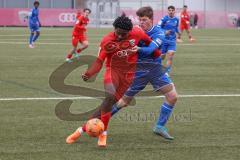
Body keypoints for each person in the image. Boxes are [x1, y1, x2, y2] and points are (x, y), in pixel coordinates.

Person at [66, 14, 156, 147]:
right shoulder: (107, 40)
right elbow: (99, 61)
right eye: (118, 33)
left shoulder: (137, 33)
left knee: (107, 105)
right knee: (109, 97)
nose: (120, 36)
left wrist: (158, 55)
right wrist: (89, 73)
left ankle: (81, 130)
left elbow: (151, 46)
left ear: (130, 32)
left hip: (129, 76)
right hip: (112, 71)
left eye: (123, 34)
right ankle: (103, 134)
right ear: (114, 29)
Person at [111, 6, 178, 140]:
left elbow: (150, 50)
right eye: (140, 20)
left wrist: (137, 48)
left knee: (172, 96)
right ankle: (101, 119)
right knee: (124, 102)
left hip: (155, 69)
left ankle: (159, 127)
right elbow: (118, 38)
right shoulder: (135, 30)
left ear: (151, 19)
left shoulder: (159, 33)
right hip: (139, 71)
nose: (141, 22)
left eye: (144, 19)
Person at [158, 5, 181, 73]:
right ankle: (158, 68)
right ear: (168, 11)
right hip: (164, 40)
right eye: (169, 10)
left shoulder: (176, 19)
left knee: (170, 55)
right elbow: (158, 27)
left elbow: (176, 27)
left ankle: (167, 71)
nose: (171, 12)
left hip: (172, 40)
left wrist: (178, 32)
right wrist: (164, 32)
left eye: (172, 10)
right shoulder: (164, 19)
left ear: (174, 11)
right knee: (162, 57)